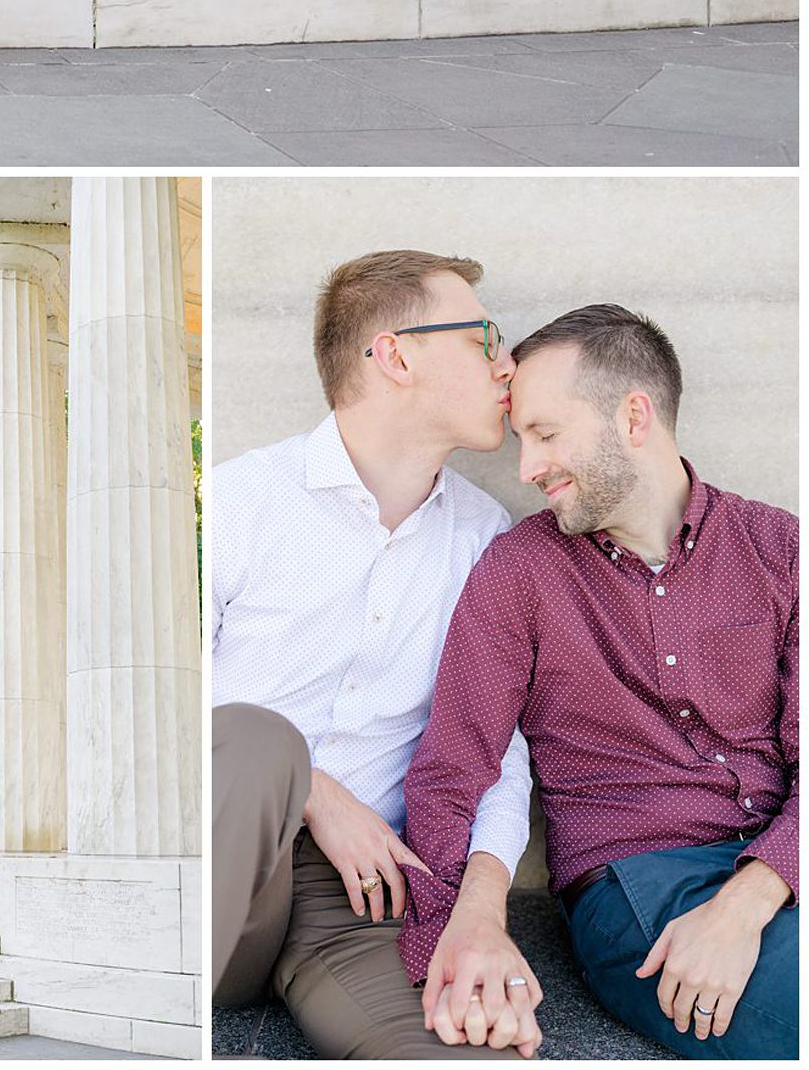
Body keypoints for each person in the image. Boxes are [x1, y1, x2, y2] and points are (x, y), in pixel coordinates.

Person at [400, 304, 799, 1061]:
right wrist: (447, 947)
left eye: (546, 434)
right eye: (522, 439)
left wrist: (753, 896)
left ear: (635, 416)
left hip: (785, 857)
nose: (525, 468)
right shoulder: (519, 573)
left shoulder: (780, 548)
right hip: (645, 884)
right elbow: (454, 768)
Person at [211, 249, 545, 1059]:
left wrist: (482, 913)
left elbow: (496, 749)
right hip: (221, 848)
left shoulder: (484, 539)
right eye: (485, 340)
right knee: (259, 739)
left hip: (360, 898)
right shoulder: (237, 501)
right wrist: (316, 794)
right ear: (396, 353)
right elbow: (143, 705)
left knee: (467, 1044)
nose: (510, 365)